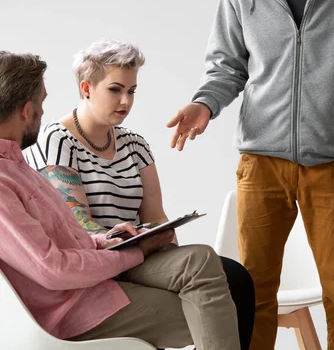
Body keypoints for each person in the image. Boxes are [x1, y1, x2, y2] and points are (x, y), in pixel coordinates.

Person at [166, 0, 334, 349]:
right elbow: (226, 68)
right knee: (253, 290)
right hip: (261, 162)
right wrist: (204, 103)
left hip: (332, 163)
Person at [0, 50, 242, 349]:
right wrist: (133, 253)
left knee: (205, 263)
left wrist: (115, 239)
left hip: (94, 278)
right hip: (75, 307)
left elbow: (70, 237)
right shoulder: (20, 167)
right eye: (41, 103)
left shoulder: (17, 166)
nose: (125, 101)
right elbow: (54, 268)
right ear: (26, 110)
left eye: (131, 91)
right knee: (223, 306)